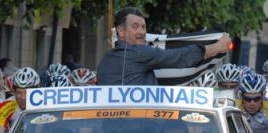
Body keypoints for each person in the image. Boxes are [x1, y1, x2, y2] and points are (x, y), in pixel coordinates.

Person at [96, 7, 231, 85]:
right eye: (135, 27)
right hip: (139, 128)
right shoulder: (141, 53)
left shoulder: (105, 59)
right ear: (120, 31)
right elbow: (180, 57)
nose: (142, 32)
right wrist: (218, 47)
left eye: (143, 27)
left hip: (109, 129)